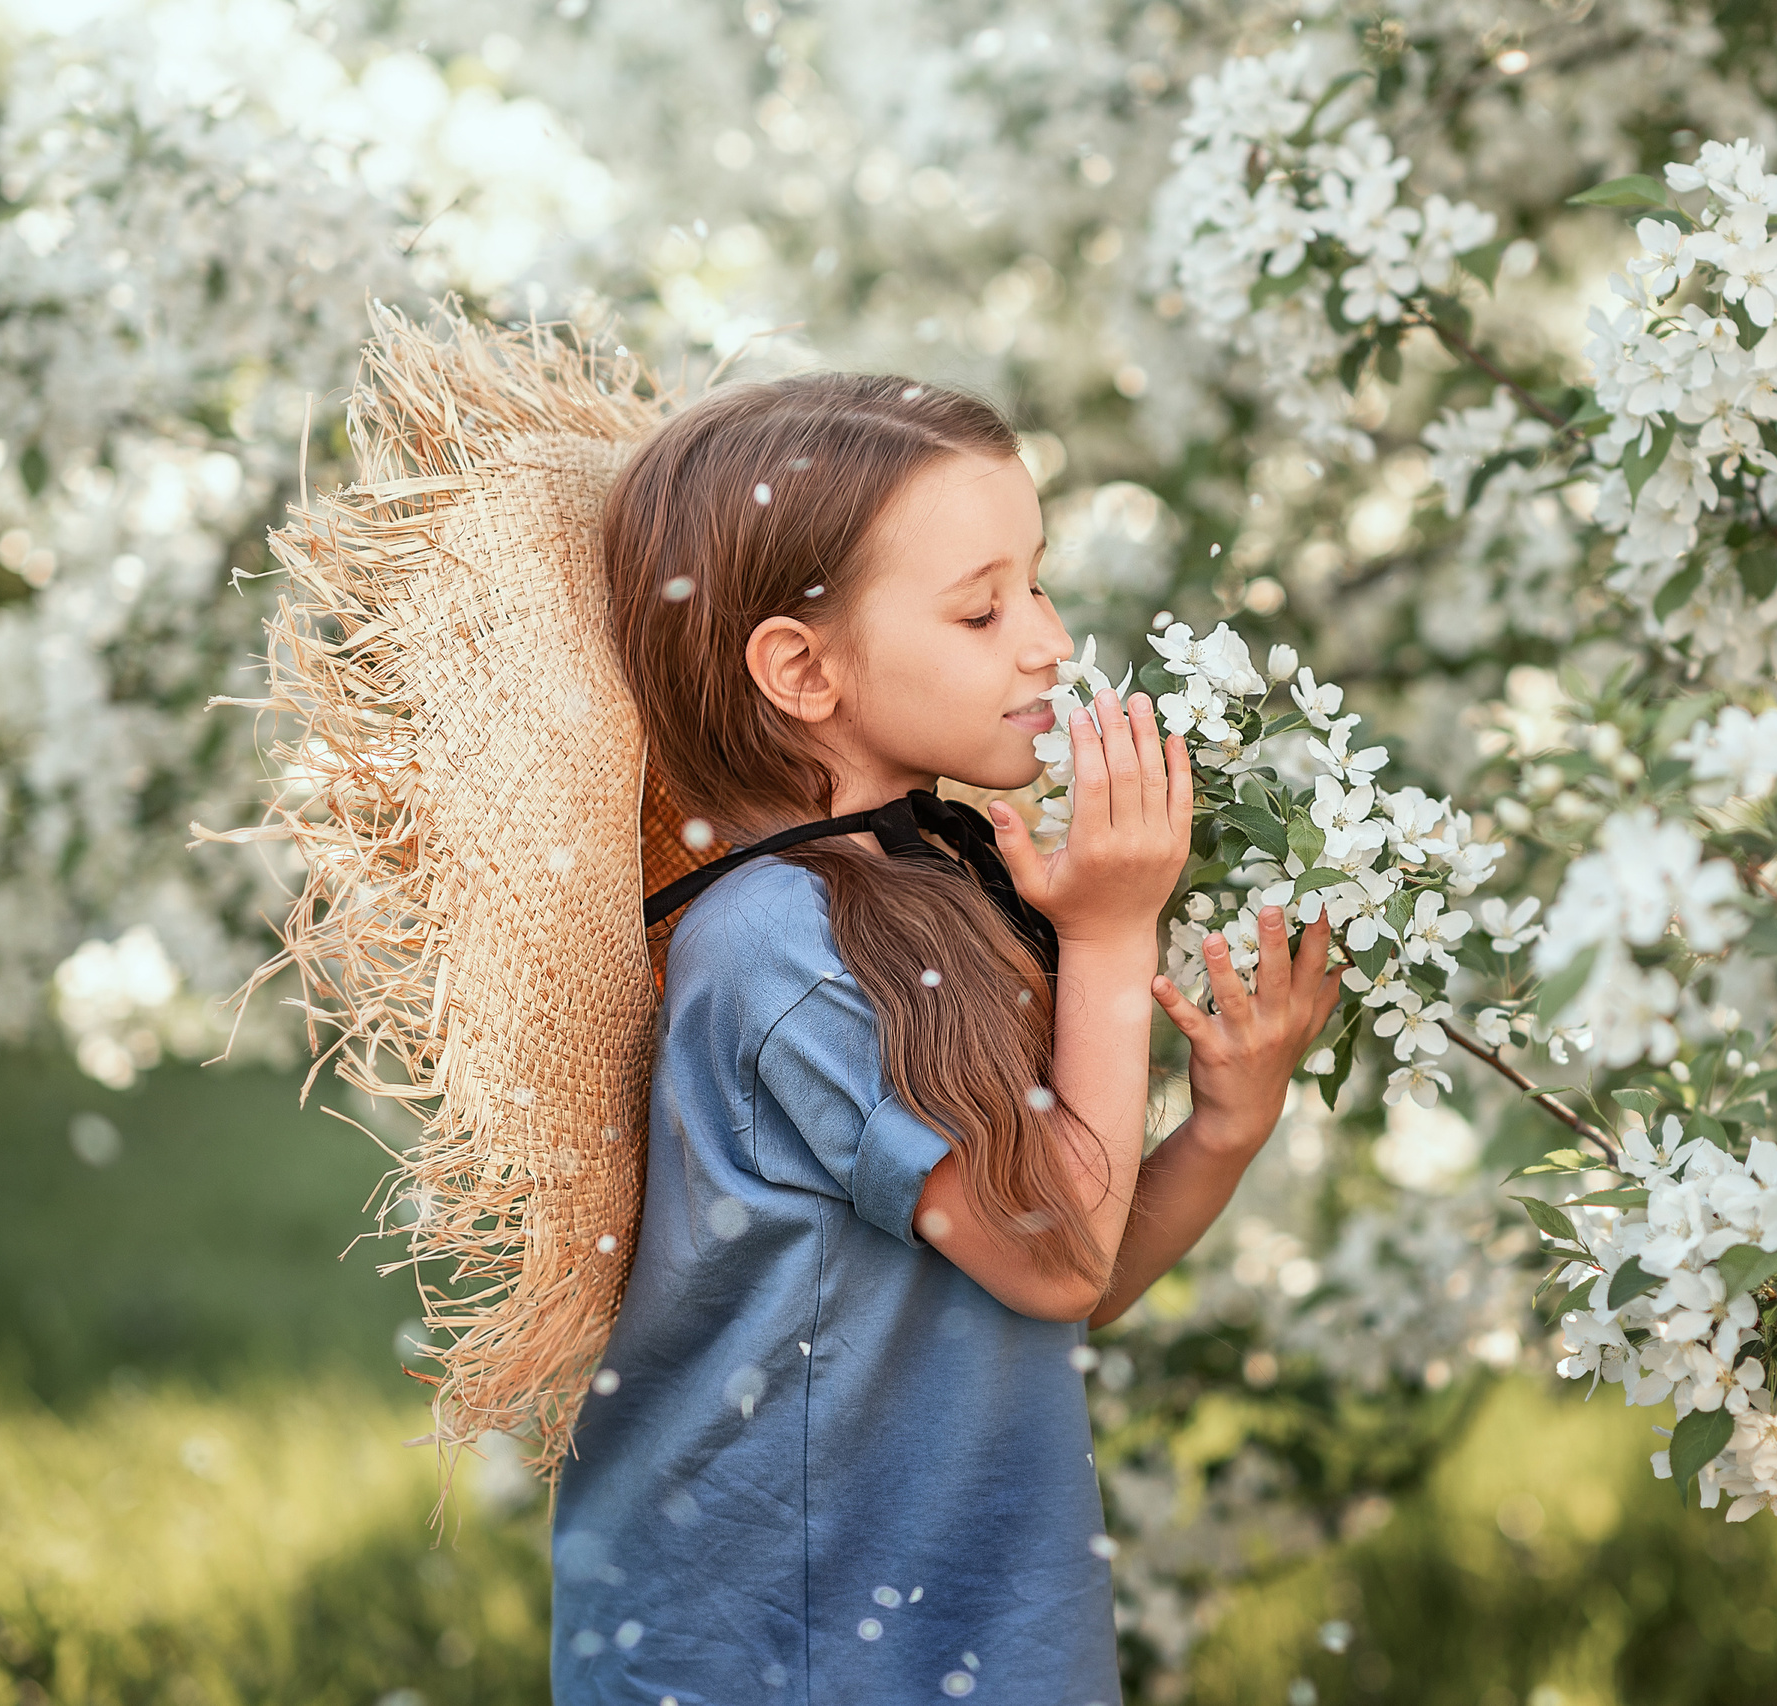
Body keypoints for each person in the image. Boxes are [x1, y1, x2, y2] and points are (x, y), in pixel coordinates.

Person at [549, 373, 1342, 1705]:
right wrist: (1106, 937)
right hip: (782, 1645)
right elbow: (1052, 1259)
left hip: (954, 1621)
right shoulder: (775, 951)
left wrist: (1224, 1124)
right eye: (982, 607)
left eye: (1037, 583)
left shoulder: (932, 885)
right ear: (804, 670)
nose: (1046, 640)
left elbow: (1053, 1280)